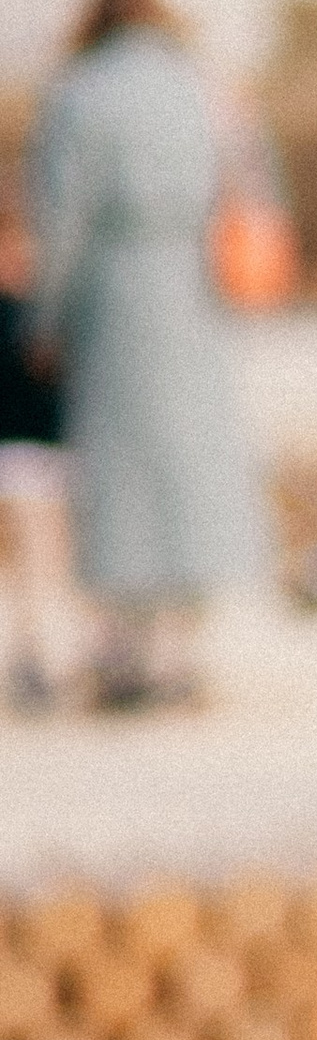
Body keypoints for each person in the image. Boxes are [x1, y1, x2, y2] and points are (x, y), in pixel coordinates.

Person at [25, 0, 264, 709]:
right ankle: (180, 649)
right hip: (192, 286)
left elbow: (60, 214)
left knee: (117, 464)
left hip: (115, 287)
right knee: (193, 457)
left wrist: (45, 317)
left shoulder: (80, 92)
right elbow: (251, 186)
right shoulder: (203, 86)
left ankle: (125, 648)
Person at [0, 192, 80, 712]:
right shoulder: (31, 317)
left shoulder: (48, 314)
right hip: (20, 459)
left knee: (48, 564)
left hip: (49, 459)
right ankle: (37, 659)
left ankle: (45, 658)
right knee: (36, 561)